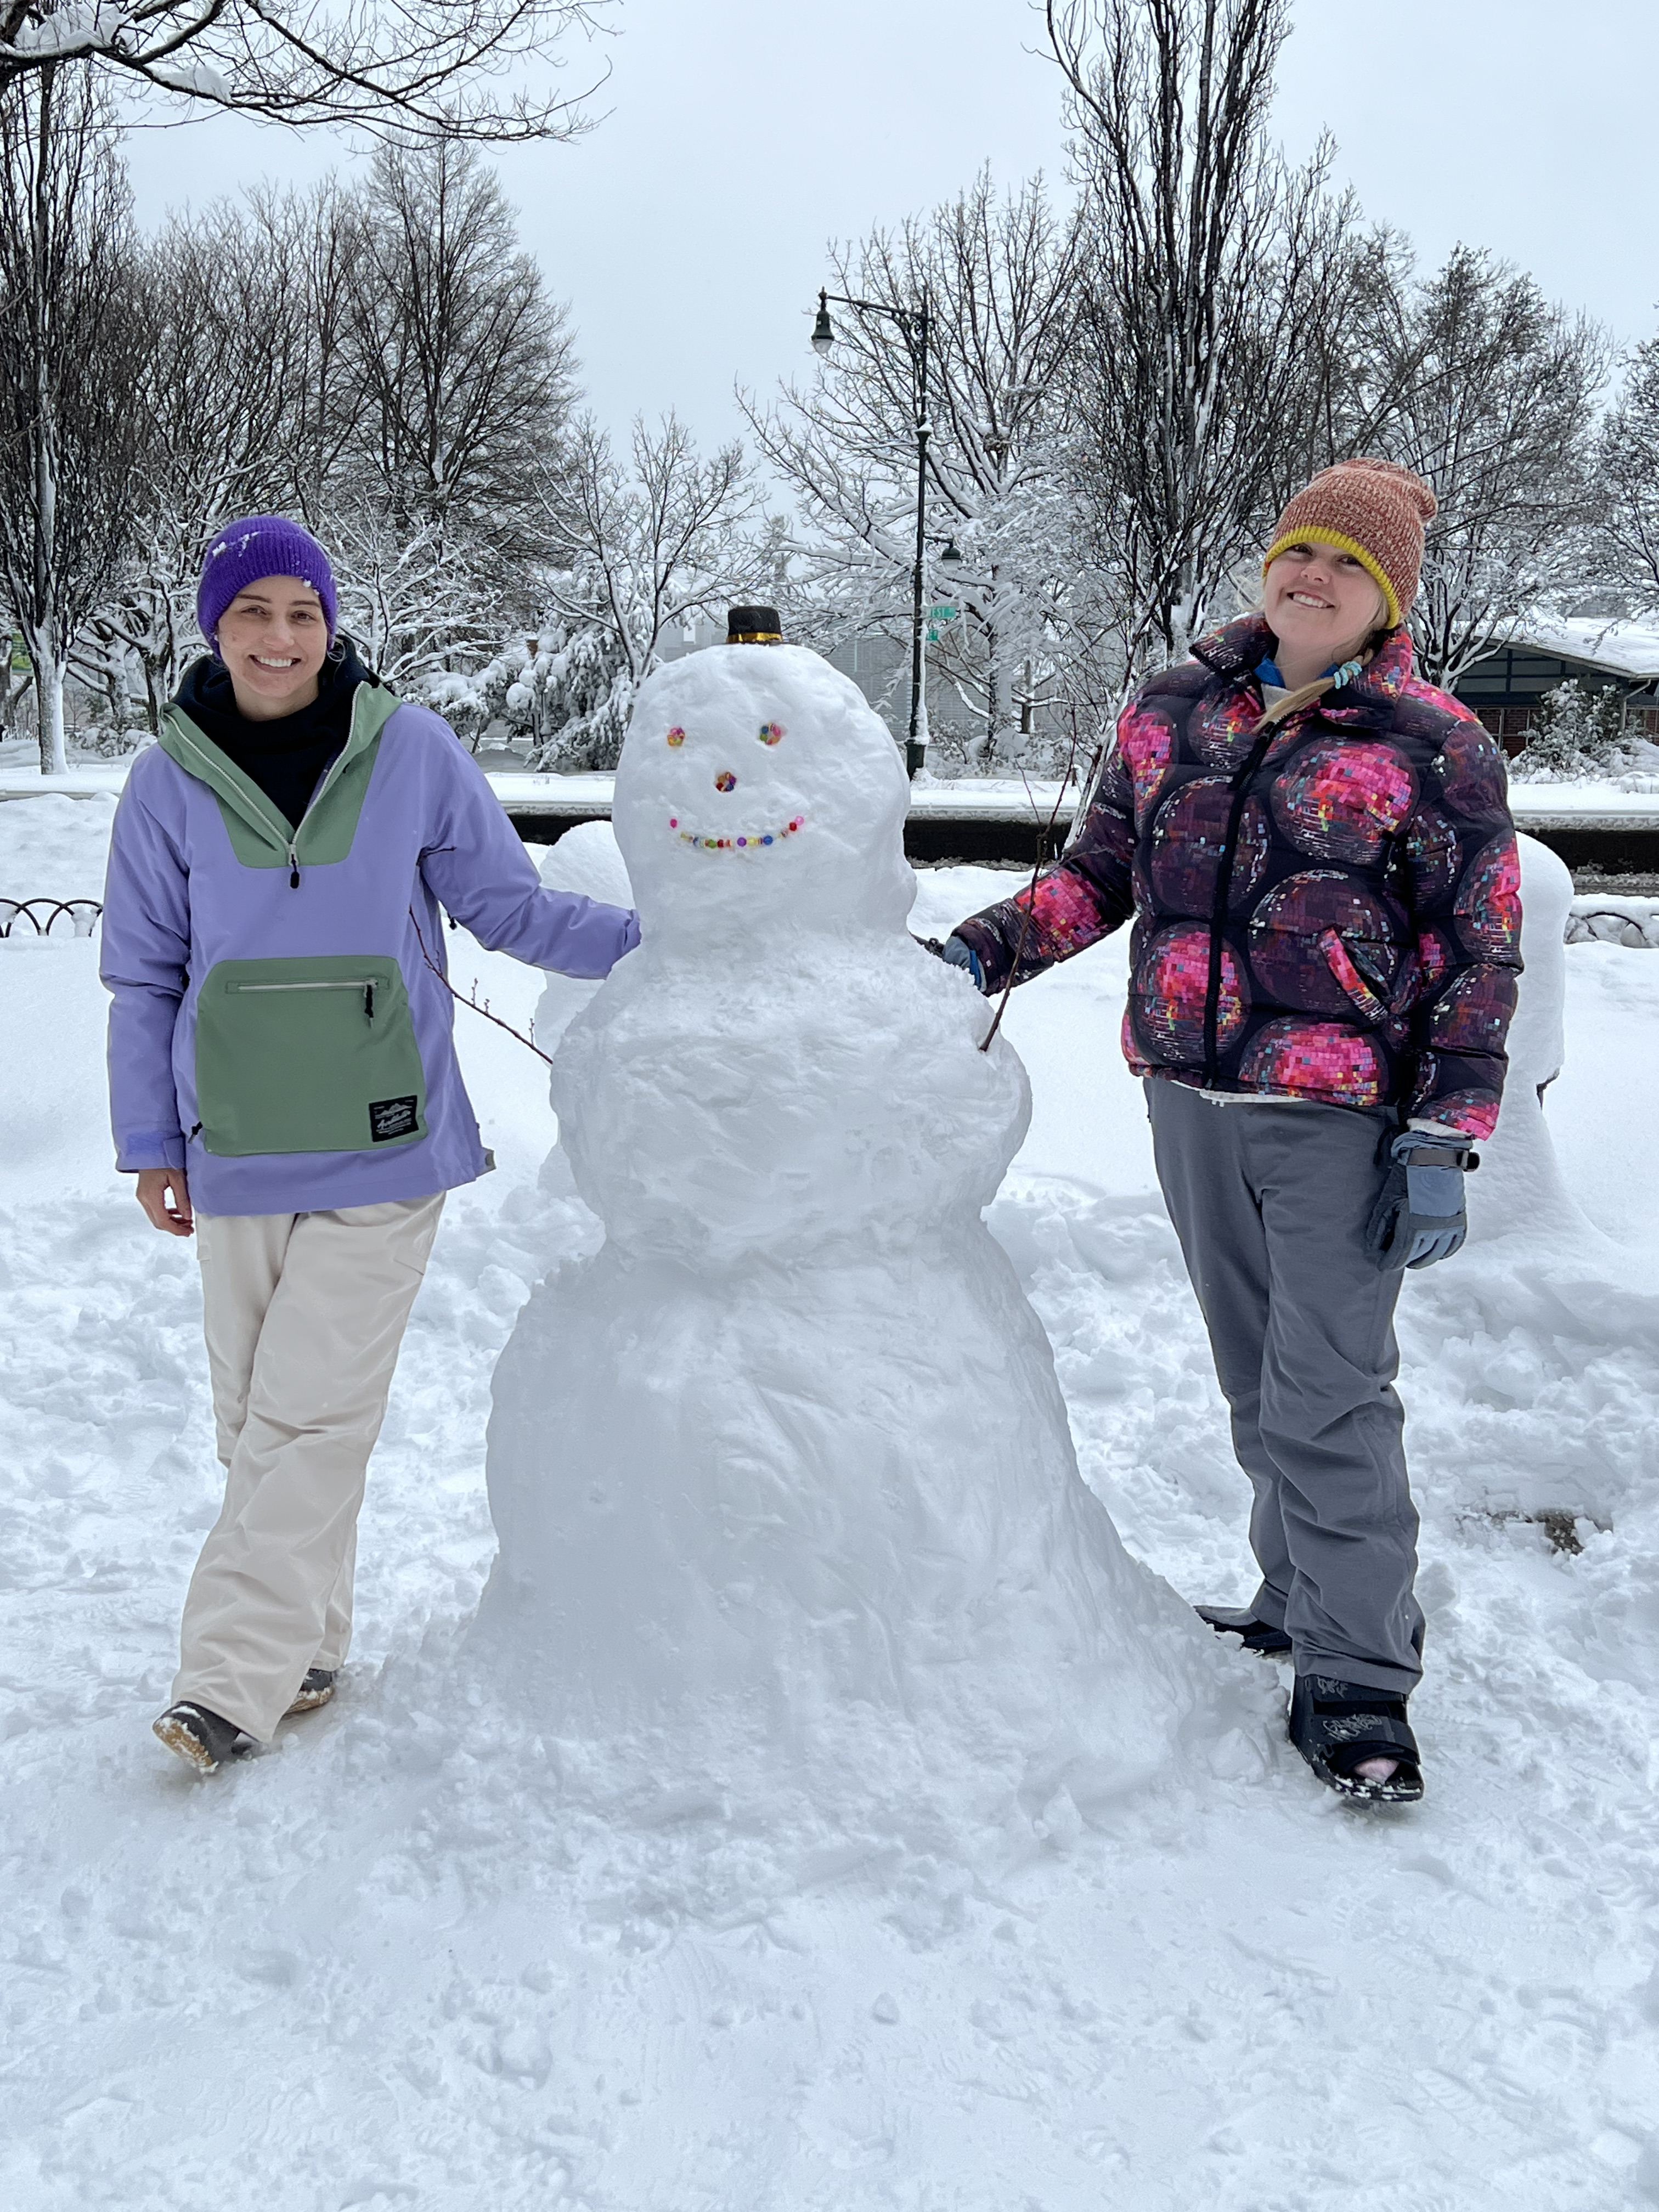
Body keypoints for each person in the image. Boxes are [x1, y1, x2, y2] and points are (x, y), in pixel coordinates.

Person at [936, 459, 1522, 1803]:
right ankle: (1295, 1595)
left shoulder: (1436, 744)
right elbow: (1103, 872)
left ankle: (1361, 1673)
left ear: (1387, 599)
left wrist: (1444, 1131)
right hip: (1189, 1097)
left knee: (1331, 1393)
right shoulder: (1177, 706)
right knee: (1260, 1379)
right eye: (1300, 550)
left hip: (1341, 1118)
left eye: (1348, 565)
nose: (1313, 576)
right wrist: (977, 953)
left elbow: (1478, 948)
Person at [102, 514, 640, 1774]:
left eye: (303, 612)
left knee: (309, 1414)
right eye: (253, 612)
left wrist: (671, 944)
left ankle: (228, 1681)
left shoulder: (410, 751)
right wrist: (151, 1144)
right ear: (215, 629)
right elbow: (144, 976)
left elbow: (509, 909)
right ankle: (309, 1649)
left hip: (385, 1143)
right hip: (235, 1142)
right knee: (257, 1420)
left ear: (331, 624)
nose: (280, 637)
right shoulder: (167, 781)